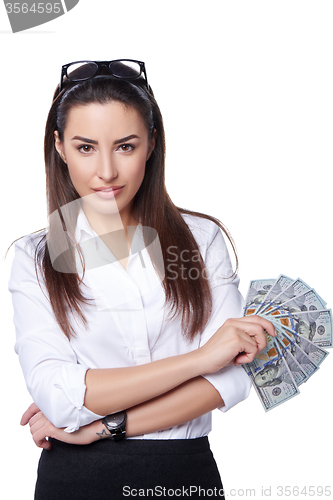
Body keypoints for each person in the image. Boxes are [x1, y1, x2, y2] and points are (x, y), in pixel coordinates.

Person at [8, 59, 275, 499]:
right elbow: (57, 394)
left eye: (126, 146)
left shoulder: (202, 239)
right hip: (75, 480)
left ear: (152, 144)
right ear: (59, 147)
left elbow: (231, 379)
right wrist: (200, 359)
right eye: (86, 147)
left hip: (183, 474)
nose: (107, 171)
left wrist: (101, 427)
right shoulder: (34, 257)